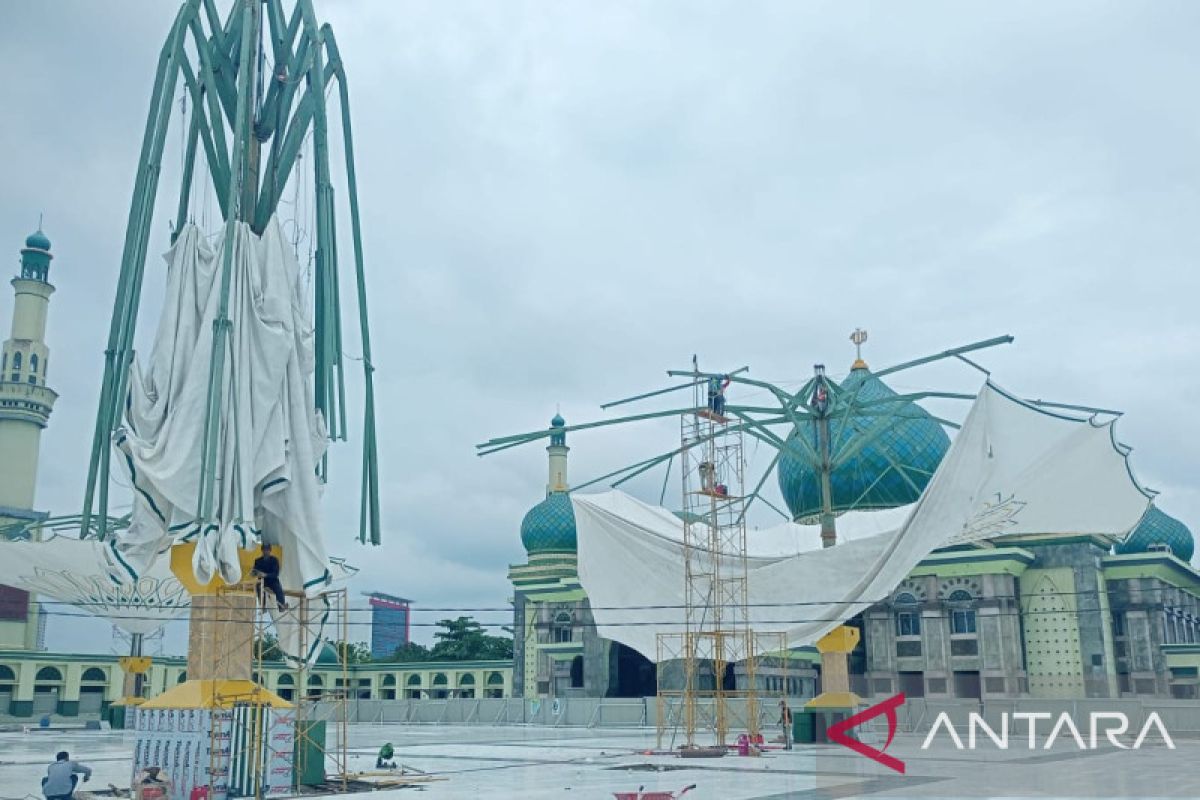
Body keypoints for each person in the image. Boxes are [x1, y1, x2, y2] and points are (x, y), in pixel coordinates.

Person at [251, 543, 287, 612]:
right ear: (262, 550)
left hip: (272, 580)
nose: (266, 551)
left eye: (267, 550)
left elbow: (276, 574)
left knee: (278, 588)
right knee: (258, 586)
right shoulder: (258, 561)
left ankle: (281, 606)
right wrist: (254, 573)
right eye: (264, 550)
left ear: (270, 551)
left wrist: (266, 575)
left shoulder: (274, 560)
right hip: (262, 581)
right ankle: (263, 607)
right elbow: (254, 572)